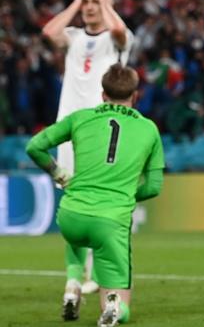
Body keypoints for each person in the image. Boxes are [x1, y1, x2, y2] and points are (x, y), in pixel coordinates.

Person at [25, 64, 164, 327]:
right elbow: (155, 186)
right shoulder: (149, 129)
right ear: (135, 96)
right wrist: (125, 194)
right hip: (111, 221)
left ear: (102, 94)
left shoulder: (80, 118)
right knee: (118, 295)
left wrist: (60, 175)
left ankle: (72, 284)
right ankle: (113, 307)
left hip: (70, 215)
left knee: (80, 232)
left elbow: (34, 147)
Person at [42, 0, 134, 294]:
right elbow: (48, 34)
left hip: (102, 130)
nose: (91, 7)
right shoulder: (74, 37)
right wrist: (75, 2)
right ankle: (78, 272)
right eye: (88, 3)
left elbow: (120, 32)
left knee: (99, 196)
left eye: (96, 1)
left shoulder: (117, 38)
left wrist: (108, 3)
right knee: (73, 197)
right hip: (70, 128)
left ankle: (98, 271)